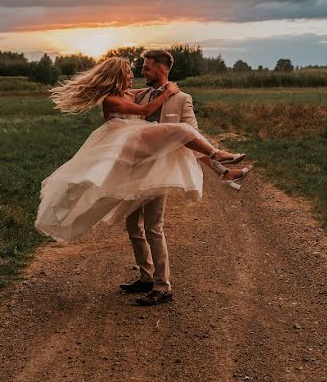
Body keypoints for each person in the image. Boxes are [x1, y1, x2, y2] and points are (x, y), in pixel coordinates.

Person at [34, 54, 252, 306]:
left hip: (158, 171)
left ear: (160, 68)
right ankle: (147, 276)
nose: (139, 73)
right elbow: (144, 108)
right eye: (133, 71)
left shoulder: (180, 99)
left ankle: (163, 285)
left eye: (146, 68)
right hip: (134, 170)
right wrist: (163, 92)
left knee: (153, 226)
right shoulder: (136, 97)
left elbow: (191, 141)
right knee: (133, 225)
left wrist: (215, 167)